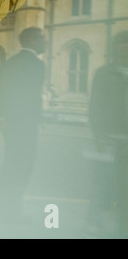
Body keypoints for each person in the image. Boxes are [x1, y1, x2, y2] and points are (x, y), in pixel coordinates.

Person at [0, 27, 47, 223]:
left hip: (11, 124)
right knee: (22, 167)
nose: (45, 42)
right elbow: (30, 96)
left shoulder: (10, 62)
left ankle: (4, 211)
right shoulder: (36, 65)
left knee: (11, 166)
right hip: (25, 123)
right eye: (41, 39)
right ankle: (11, 213)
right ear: (31, 40)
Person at [88, 31, 128, 237]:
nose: (124, 47)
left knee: (125, 187)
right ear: (115, 48)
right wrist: (99, 134)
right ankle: (93, 223)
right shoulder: (103, 73)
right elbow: (95, 106)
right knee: (100, 183)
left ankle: (123, 227)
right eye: (120, 43)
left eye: (126, 43)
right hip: (108, 138)